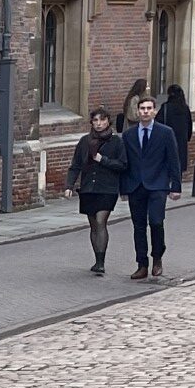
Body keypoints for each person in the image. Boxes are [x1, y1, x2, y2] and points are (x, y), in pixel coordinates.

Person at [120, 92, 183, 281]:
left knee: (156, 221)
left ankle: (157, 257)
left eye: (149, 109)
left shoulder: (165, 132)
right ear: (137, 111)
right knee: (138, 226)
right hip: (136, 185)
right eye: (142, 109)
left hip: (158, 184)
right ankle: (142, 264)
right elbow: (125, 163)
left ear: (154, 111)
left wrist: (176, 186)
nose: (145, 112)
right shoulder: (129, 135)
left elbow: (173, 160)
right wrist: (123, 188)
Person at [65, 104, 126, 275]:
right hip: (88, 188)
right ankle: (97, 258)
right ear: (91, 122)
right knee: (93, 225)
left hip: (107, 188)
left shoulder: (116, 142)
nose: (99, 123)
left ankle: (101, 262)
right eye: (95, 120)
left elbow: (122, 165)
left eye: (102, 120)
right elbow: (76, 165)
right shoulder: (85, 141)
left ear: (108, 122)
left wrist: (103, 160)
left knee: (100, 221)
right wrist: (69, 185)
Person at [157, 81, 194, 193]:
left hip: (168, 139)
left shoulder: (166, 107)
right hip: (181, 141)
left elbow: (158, 122)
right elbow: (189, 125)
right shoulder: (185, 108)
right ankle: (177, 185)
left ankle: (166, 185)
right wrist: (187, 137)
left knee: (167, 162)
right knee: (178, 164)